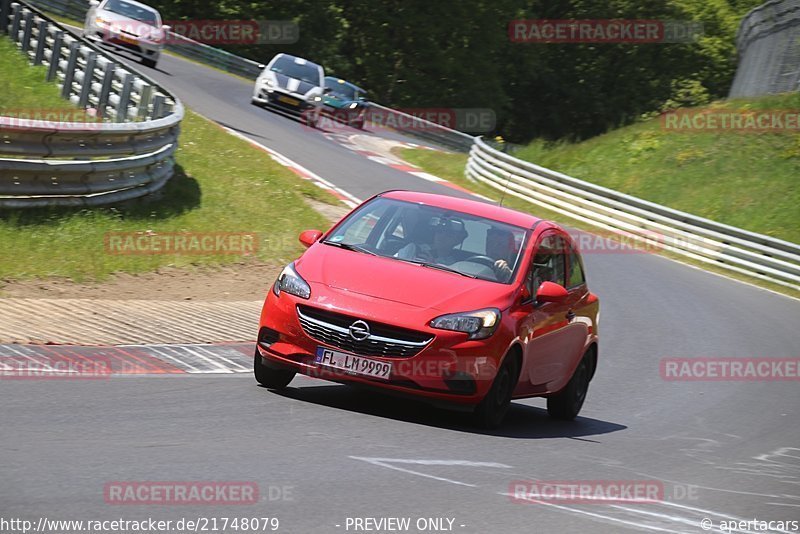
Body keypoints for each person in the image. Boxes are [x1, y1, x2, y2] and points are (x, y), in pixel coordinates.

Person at [395, 217, 467, 265]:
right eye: (439, 231)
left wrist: (433, 265)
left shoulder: (455, 265)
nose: (442, 236)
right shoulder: (413, 249)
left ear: (458, 240)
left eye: (449, 234)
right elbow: (394, 266)